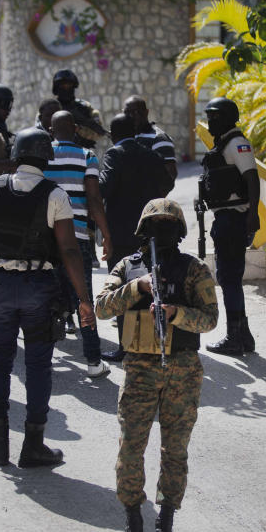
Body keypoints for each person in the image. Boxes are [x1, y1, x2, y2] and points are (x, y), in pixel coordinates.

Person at [0, 128, 96, 468]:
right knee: (38, 366)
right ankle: (33, 446)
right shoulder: (56, 195)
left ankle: (0, 446)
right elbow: (68, 250)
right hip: (39, 288)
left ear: (17, 155)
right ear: (45, 160)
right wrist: (83, 299)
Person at [95, 199, 218, 532]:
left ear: (178, 231)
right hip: (139, 369)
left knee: (175, 451)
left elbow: (210, 318)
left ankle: (165, 524)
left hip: (182, 369)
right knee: (131, 446)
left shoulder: (193, 269)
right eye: (154, 225)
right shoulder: (127, 267)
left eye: (167, 225)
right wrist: (139, 288)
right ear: (143, 230)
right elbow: (101, 308)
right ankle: (133, 523)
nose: (160, 232)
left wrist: (175, 312)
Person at [43, 110, 113, 379]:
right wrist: (106, 234)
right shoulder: (87, 156)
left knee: (46, 299)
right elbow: (94, 200)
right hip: (78, 240)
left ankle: (44, 360)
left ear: (51, 130)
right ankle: (94, 362)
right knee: (84, 300)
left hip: (46, 241)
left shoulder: (43, 155)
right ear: (75, 129)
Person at [99, 114, 173, 362]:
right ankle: (152, 340)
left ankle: (125, 346)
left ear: (112, 135)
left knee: (122, 287)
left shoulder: (113, 154)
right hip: (148, 232)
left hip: (120, 233)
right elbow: (166, 185)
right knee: (151, 284)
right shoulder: (151, 155)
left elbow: (104, 188)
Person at [198, 97, 260, 356]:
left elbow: (252, 178)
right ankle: (243, 336)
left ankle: (235, 337)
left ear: (226, 118)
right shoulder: (224, 144)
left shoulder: (237, 144)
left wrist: (253, 215)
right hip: (226, 218)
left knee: (229, 279)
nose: (210, 122)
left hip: (234, 219)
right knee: (229, 277)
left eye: (214, 117)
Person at [123, 96, 178, 181]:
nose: (131, 116)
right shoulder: (128, 137)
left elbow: (170, 177)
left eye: (136, 112)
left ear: (146, 112)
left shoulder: (159, 138)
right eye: (126, 113)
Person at [52, 69, 105, 148]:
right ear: (56, 88)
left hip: (82, 153)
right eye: (62, 86)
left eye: (69, 85)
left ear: (74, 86)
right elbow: (42, 132)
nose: (66, 88)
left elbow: (97, 133)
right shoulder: (49, 108)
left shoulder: (85, 106)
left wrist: (79, 129)